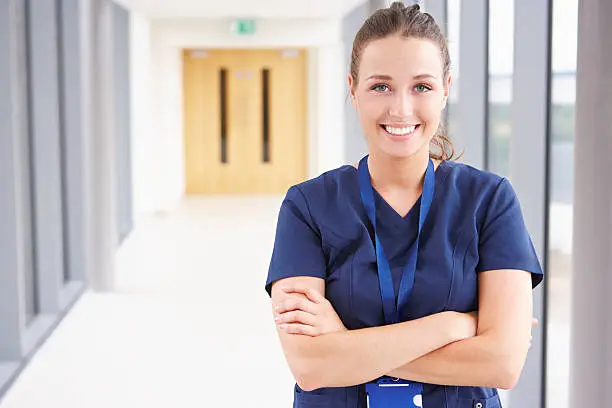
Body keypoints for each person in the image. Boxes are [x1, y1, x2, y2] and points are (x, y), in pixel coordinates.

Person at [264, 3, 543, 407]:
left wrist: (347, 347)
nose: (401, 109)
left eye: (422, 87)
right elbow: (312, 366)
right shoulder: (307, 206)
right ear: (353, 89)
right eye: (380, 86)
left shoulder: (490, 200)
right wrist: (454, 325)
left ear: (446, 88)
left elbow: (502, 364)